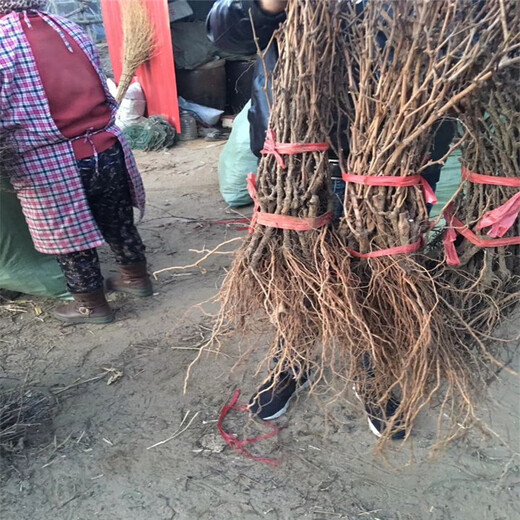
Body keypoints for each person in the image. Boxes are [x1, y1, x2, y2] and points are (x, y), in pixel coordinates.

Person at [207, 0, 455, 437]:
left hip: (397, 155)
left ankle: (374, 370)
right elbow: (227, 35)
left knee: (378, 274)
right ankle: (291, 359)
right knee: (296, 270)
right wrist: (267, 5)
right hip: (297, 156)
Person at [0, 0, 153, 325]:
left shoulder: (2, 40)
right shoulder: (67, 27)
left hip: (49, 159)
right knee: (118, 220)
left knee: (71, 238)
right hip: (107, 144)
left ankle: (91, 306)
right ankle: (136, 278)